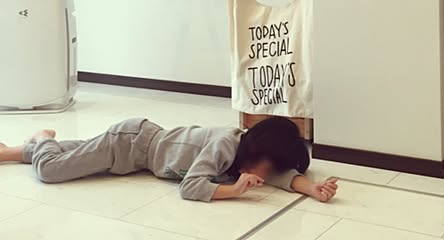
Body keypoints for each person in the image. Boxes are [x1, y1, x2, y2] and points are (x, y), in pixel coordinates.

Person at [0, 116, 338, 203]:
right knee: (51, 171)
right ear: (257, 151)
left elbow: (283, 176)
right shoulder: (225, 145)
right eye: (266, 167)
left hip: (139, 156)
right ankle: (43, 137)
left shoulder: (255, 159)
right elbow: (190, 187)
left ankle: (12, 151)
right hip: (131, 143)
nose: (265, 176)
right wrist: (234, 191)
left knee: (78, 153)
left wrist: (313, 188)